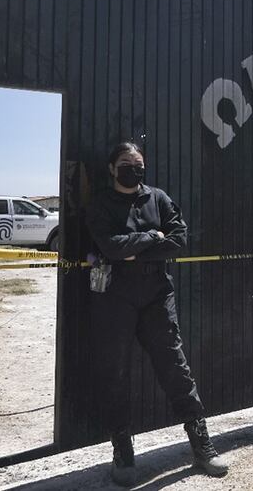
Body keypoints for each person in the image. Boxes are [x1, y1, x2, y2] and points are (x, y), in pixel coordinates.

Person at [85, 142, 229, 486]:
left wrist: (136, 250)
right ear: (111, 168)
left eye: (137, 164)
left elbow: (178, 239)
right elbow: (109, 246)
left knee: (175, 368)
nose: (132, 169)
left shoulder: (159, 198)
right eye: (125, 163)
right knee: (114, 370)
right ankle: (122, 448)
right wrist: (152, 236)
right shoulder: (101, 203)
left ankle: (202, 445)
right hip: (115, 297)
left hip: (156, 295)